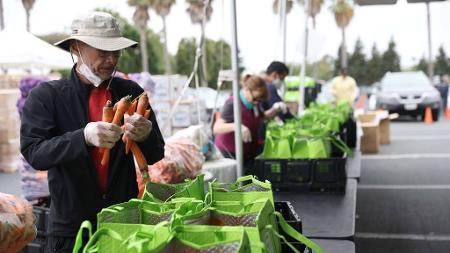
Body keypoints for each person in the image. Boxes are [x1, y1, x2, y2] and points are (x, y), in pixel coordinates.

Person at [20, 12, 165, 252]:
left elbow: (156, 153)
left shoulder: (131, 91)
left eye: (116, 52)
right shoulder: (47, 96)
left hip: (123, 221)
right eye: (102, 51)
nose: (111, 59)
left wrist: (146, 134)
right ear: (77, 48)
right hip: (71, 227)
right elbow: (35, 152)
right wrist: (82, 137)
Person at [213, 74, 283, 175]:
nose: (257, 102)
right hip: (230, 153)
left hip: (247, 154)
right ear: (246, 89)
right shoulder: (233, 103)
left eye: (259, 100)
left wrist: (276, 108)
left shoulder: (254, 105)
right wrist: (237, 126)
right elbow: (217, 127)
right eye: (255, 99)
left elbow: (263, 117)